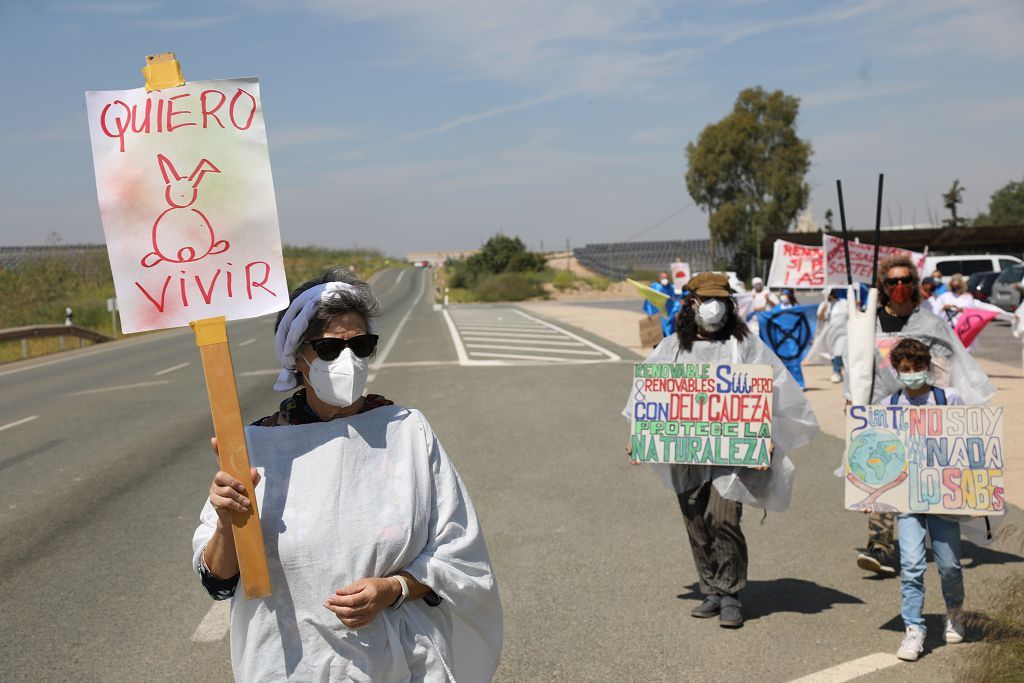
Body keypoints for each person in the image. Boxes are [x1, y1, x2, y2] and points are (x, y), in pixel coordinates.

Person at [192, 269, 503, 681]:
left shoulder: (406, 431)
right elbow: (219, 580)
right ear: (297, 357)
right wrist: (230, 523)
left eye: (361, 345)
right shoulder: (255, 447)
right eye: (329, 348)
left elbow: (458, 554)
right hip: (288, 666)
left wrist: (393, 589)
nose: (348, 360)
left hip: (397, 663)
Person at [623, 272, 819, 628]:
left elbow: (774, 390)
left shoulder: (745, 346)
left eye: (719, 300)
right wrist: (639, 434)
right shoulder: (672, 347)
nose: (713, 308)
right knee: (696, 520)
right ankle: (710, 587)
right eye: (706, 299)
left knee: (723, 518)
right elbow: (648, 396)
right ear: (690, 304)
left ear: (729, 304)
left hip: (733, 453)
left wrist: (766, 434)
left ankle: (731, 592)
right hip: (687, 450)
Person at [838, 256, 994, 576]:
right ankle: (880, 546)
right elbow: (852, 363)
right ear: (883, 286)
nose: (899, 287)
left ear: (915, 285)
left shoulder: (931, 324)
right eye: (892, 281)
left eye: (906, 280)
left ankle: (929, 536)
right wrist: (851, 398)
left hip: (924, 413)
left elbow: (948, 364)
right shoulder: (870, 323)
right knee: (881, 469)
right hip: (882, 412)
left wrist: (945, 408)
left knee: (920, 478)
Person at [885, 338, 966, 662]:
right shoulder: (889, 404)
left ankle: (955, 612)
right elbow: (875, 452)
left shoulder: (949, 399)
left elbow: (970, 444)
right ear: (897, 370)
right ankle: (914, 629)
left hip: (943, 497)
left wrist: (973, 494)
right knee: (912, 565)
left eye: (918, 367)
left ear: (927, 367)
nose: (913, 374)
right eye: (905, 369)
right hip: (907, 498)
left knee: (949, 566)